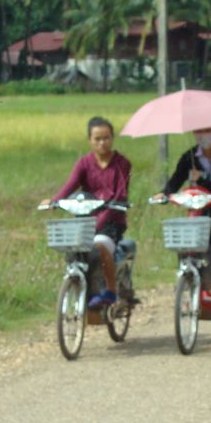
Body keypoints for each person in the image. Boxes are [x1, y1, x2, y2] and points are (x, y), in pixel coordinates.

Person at [152, 127, 211, 334]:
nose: (203, 135)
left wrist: (199, 179)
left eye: (207, 131)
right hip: (197, 218)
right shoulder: (189, 158)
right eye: (198, 132)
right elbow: (175, 181)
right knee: (194, 259)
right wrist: (164, 194)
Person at [41, 116, 131, 308]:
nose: (102, 143)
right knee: (74, 252)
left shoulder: (122, 163)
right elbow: (70, 185)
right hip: (86, 220)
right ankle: (84, 290)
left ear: (112, 138)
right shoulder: (84, 163)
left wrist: (99, 222)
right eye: (97, 139)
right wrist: (55, 201)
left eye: (106, 138)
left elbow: (120, 194)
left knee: (100, 245)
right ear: (89, 140)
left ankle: (111, 291)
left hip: (112, 221)